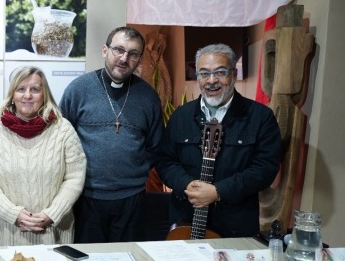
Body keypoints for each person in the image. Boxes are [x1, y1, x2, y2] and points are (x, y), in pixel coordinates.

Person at [156, 43, 281, 238]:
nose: (211, 80)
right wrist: (186, 184)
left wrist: (219, 191)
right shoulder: (181, 116)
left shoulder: (260, 117)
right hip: (185, 222)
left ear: (234, 74)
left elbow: (265, 169)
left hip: (236, 225)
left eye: (220, 72)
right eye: (204, 74)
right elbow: (165, 160)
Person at [60, 26, 163, 243]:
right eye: (119, 50)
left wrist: (134, 171)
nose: (124, 58)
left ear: (139, 59)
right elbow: (61, 141)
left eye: (133, 54)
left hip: (131, 199)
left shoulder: (148, 97)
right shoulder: (78, 89)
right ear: (105, 50)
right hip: (85, 196)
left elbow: (155, 146)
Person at [0, 66, 86, 246]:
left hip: (54, 233)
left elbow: (75, 176)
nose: (27, 95)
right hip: (7, 234)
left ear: (44, 95)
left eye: (35, 89)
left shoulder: (63, 129)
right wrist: (13, 214)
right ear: (13, 95)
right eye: (21, 89)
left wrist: (52, 214)